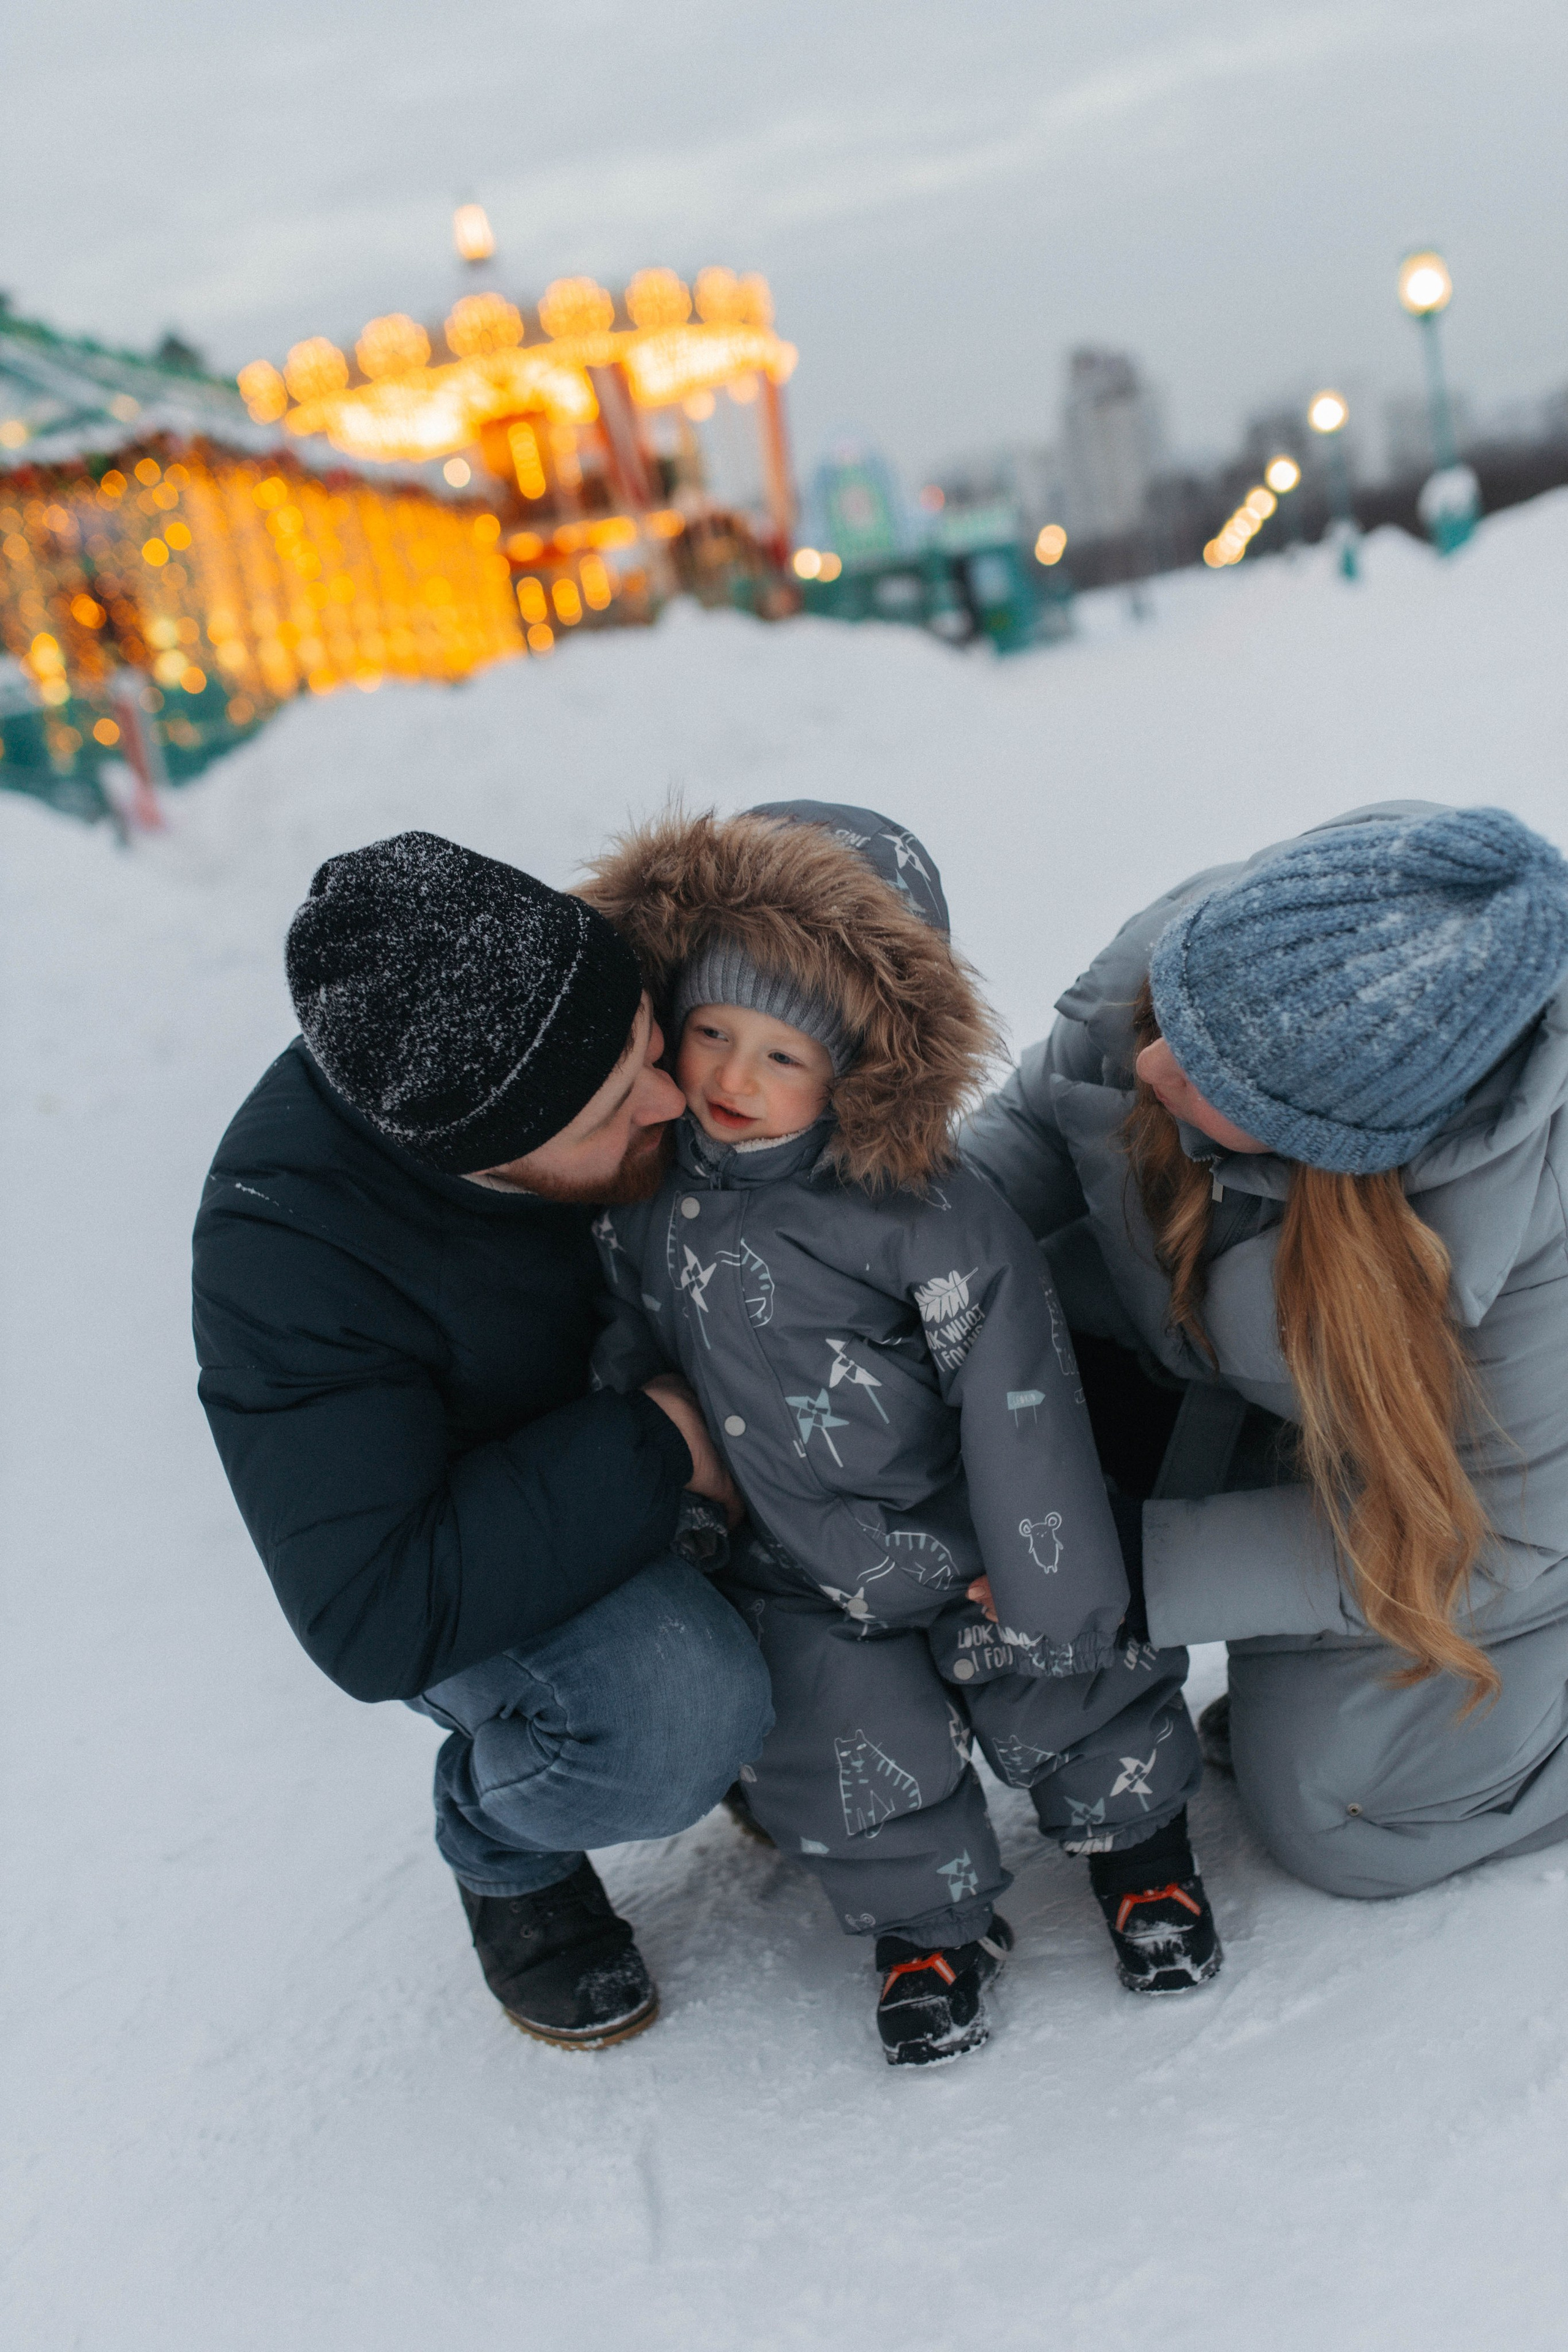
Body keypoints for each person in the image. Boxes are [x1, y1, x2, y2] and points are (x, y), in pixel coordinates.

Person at [581, 801, 1218, 2069]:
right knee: (842, 1740)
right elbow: (628, 1350)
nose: (729, 1081)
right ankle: (924, 1928)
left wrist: (1044, 1569)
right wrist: (676, 1508)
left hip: (969, 1531)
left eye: (781, 1056)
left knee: (1071, 1690)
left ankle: (1140, 1854)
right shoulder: (648, 1198)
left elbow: (1014, 1385)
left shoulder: (921, 1208)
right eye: (709, 1034)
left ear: (862, 1063)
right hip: (797, 1562)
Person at [192, 830, 773, 2049]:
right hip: (480, 1543)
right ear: (479, 1156)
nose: (676, 1099)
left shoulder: (567, 990)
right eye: (621, 1105)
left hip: (652, 1437)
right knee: (670, 1706)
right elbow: (371, 1610)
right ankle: (506, 1843)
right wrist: (662, 1443)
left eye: (648, 1052)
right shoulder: (288, 1246)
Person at [961, 801, 1568, 1900]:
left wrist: (1135, 1575)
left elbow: (1493, 1535)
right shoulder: (1233, 957)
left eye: (1204, 1079)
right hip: (1240, 1389)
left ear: (1332, 1154)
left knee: (1345, 1808)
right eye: (1167, 1020)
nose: (1148, 1065)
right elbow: (1013, 1160)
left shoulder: (1538, 1225)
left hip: (1498, 1504)